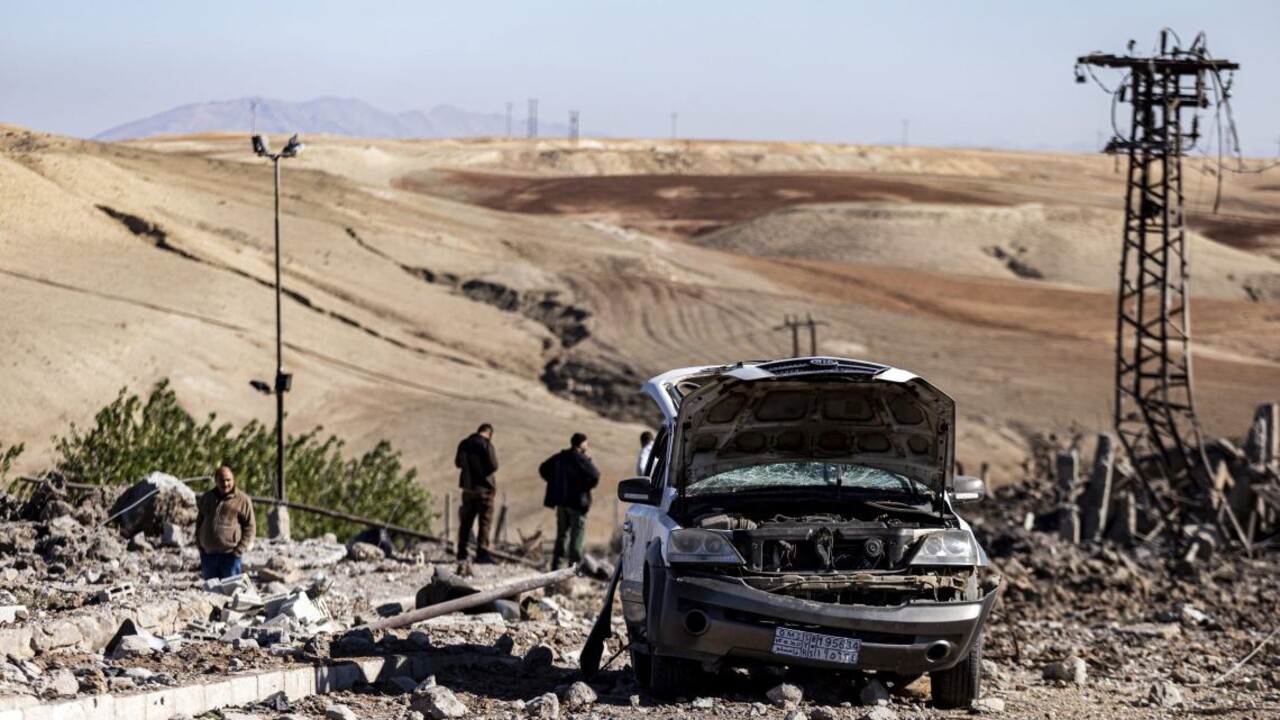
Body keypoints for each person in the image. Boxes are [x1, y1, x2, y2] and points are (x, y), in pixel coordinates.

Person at [539, 432, 600, 570]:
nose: (587, 445)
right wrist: (585, 486)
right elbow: (595, 475)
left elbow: (543, 469)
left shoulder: (560, 458)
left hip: (562, 503)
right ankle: (575, 568)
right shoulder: (580, 459)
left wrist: (555, 482)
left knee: (562, 535)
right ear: (581, 443)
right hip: (577, 504)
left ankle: (557, 567)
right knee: (577, 536)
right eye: (586, 442)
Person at [194, 465, 256, 580]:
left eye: (228, 480)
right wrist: (199, 544)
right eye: (222, 480)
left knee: (231, 591)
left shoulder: (242, 500)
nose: (225, 483)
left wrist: (239, 550)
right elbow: (199, 522)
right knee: (210, 592)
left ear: (233, 480)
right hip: (208, 556)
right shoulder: (207, 497)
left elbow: (250, 527)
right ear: (216, 480)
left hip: (230, 557)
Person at [455, 423, 499, 563]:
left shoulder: (464, 444)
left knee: (466, 522)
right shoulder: (486, 445)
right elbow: (494, 465)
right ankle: (482, 553)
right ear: (489, 434)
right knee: (484, 522)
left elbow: (458, 463)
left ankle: (462, 552)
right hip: (484, 490)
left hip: (468, 489)